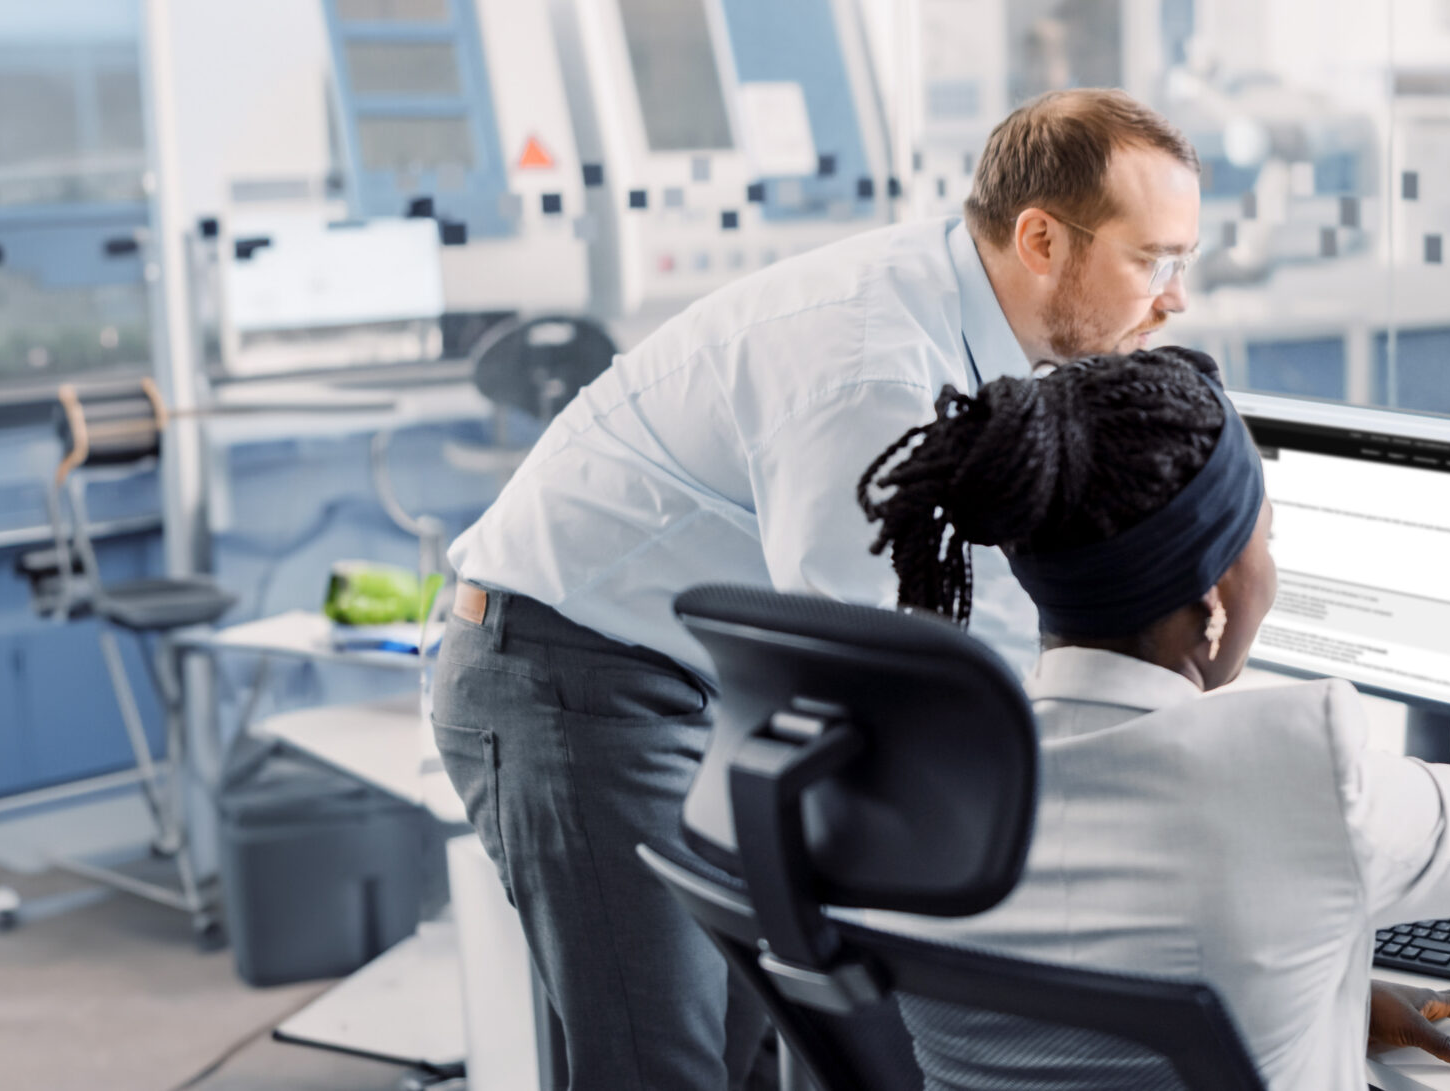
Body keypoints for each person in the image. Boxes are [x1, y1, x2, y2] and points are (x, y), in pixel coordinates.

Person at [429, 89, 1206, 1090]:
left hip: (702, 677)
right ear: (1041, 239)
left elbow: (973, 609)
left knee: (762, 1046)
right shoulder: (868, 366)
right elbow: (899, 657)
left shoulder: (976, 332)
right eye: (1155, 260)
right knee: (660, 1066)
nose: (1174, 298)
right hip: (572, 676)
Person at [855, 347, 1450, 1090]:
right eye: (1266, 535)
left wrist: (1312, 999)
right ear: (1218, 593)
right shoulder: (1285, 768)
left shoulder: (926, 772)